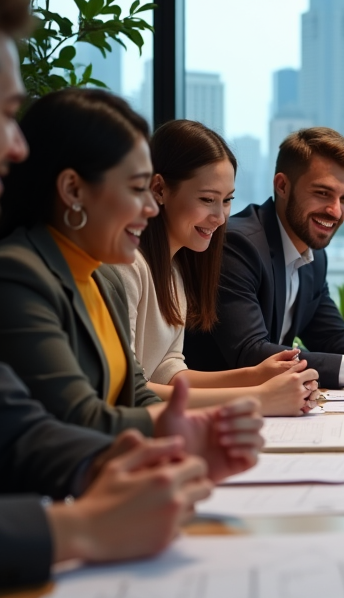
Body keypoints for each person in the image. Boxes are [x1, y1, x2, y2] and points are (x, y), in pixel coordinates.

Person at [0, 0, 261, 598]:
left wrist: (139, 450)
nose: (18, 145)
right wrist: (73, 529)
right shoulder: (6, 274)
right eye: (7, 112)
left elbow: (14, 429)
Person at [0, 89, 315, 432]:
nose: (149, 208)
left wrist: (248, 390)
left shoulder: (101, 279)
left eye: (225, 201)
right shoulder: (18, 275)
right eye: (136, 189)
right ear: (72, 190)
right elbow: (86, 418)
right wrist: (252, 399)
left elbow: (137, 395)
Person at [184, 127, 344, 390]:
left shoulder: (313, 256)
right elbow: (250, 353)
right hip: (212, 409)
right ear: (282, 186)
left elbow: (330, 335)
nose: (336, 211)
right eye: (323, 193)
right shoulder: (238, 245)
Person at [117, 118, 319, 415]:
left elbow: (169, 373)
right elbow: (128, 390)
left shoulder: (174, 270)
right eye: (207, 199)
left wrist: (256, 376)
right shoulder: (127, 266)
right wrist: (257, 397)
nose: (221, 217)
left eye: (226, 201)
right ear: (158, 188)